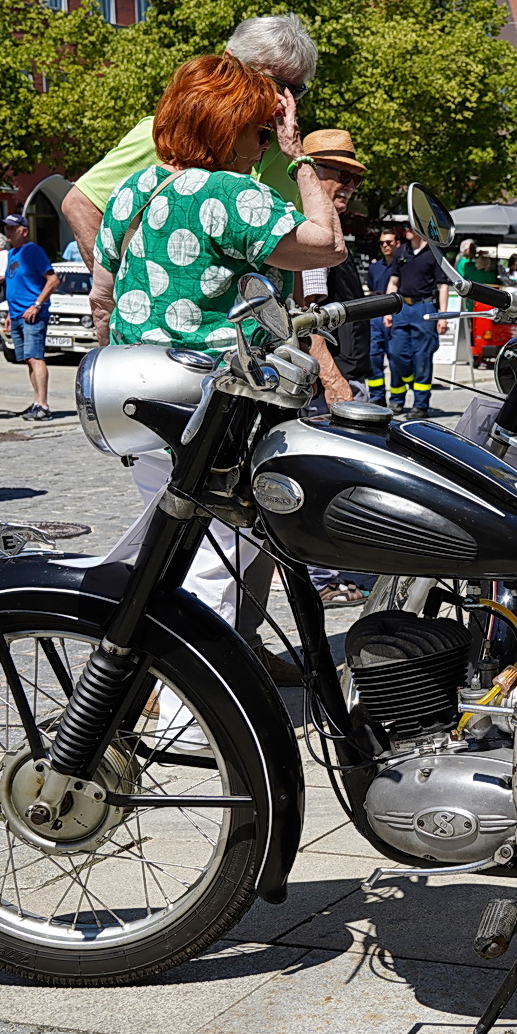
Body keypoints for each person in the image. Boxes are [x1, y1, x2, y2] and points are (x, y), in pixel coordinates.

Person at [97, 53, 343, 685]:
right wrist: (301, 158)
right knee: (213, 561)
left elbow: (103, 290)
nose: (262, 144)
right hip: (212, 397)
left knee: (165, 538)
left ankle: (130, 676)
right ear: (227, 125)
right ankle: (187, 711)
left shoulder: (136, 188)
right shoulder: (230, 193)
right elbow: (328, 244)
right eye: (258, 131)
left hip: (134, 389)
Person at [62, 13, 318, 341]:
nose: (281, 103)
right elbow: (80, 204)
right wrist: (128, 298)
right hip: (172, 359)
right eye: (272, 85)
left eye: (295, 92)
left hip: (253, 366)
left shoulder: (283, 149)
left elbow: (294, 258)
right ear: (228, 64)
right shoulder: (169, 133)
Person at [288, 128, 367, 409]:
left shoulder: (328, 232)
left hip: (342, 374)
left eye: (356, 179)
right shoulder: (310, 232)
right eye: (344, 176)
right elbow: (306, 319)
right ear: (314, 173)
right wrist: (334, 381)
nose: (351, 186)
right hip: (325, 386)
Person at [384, 219, 450, 417]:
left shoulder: (433, 253)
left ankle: (420, 405)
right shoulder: (401, 252)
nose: (406, 231)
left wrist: (443, 316)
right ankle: (397, 400)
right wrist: (388, 310)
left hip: (425, 308)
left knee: (422, 358)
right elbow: (393, 282)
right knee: (396, 355)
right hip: (402, 308)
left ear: (420, 230)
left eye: (409, 227)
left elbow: (443, 286)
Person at [1, 213, 58, 420]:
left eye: (11, 228)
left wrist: (37, 305)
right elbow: (15, 285)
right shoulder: (11, 254)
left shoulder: (33, 251)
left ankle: (43, 406)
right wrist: (9, 312)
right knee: (28, 359)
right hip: (17, 314)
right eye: (6, 228)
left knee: (36, 357)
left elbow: (52, 280)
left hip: (32, 314)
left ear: (24, 231)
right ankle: (36, 402)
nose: (7, 232)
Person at [366, 226, 398, 403]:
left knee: (396, 358)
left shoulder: (402, 266)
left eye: (389, 242)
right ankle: (377, 397)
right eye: (381, 243)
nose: (385, 246)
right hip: (376, 315)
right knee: (374, 357)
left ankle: (397, 398)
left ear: (397, 244)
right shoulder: (374, 267)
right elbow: (371, 289)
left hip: (395, 314)